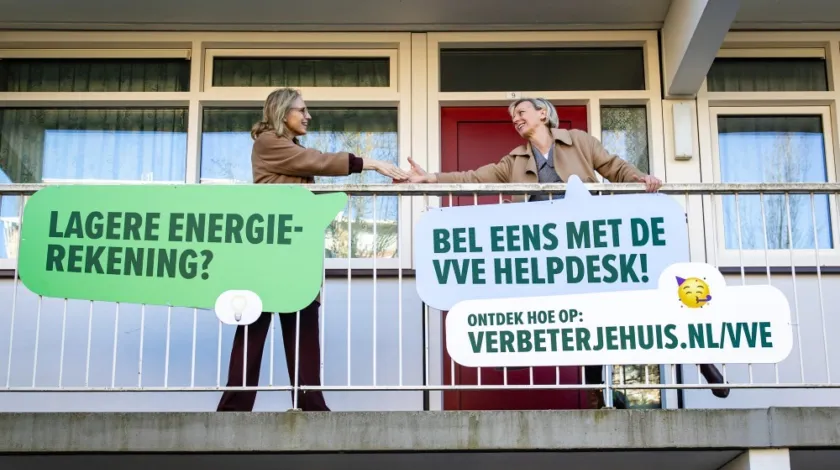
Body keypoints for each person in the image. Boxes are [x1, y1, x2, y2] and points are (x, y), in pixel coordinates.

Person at [404, 97, 729, 407]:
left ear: (543, 114)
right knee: (579, 318)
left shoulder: (579, 142)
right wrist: (429, 178)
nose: (516, 119)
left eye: (521, 112)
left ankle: (703, 361)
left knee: (646, 296)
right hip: (547, 256)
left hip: (590, 244)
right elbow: (473, 178)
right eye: (513, 116)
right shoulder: (513, 161)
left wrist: (639, 178)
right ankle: (594, 394)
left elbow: (613, 167)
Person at [217, 87, 409, 412]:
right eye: (302, 110)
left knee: (303, 329)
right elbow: (317, 161)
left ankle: (310, 405)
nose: (308, 116)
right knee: (253, 328)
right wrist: (371, 163)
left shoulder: (289, 148)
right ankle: (234, 410)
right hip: (269, 254)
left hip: (295, 255)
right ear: (282, 113)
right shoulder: (268, 143)